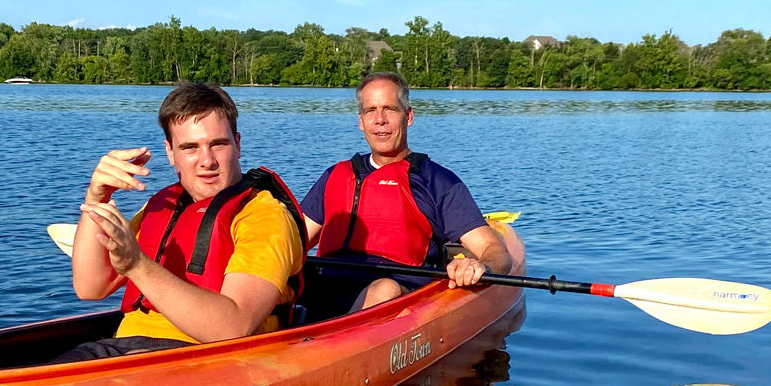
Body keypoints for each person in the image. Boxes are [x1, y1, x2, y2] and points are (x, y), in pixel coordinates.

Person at [64, 82, 305, 360]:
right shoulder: (163, 206)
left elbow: (235, 327)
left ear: (237, 144)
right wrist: (97, 197)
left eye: (218, 144)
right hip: (127, 349)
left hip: (206, 360)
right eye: (190, 147)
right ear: (170, 153)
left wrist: (136, 264)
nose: (206, 161)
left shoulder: (264, 215)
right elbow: (90, 287)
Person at [300, 71, 511, 315]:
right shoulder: (334, 176)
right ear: (361, 121)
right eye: (371, 111)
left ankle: (328, 345)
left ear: (408, 116)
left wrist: (480, 266)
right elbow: (295, 242)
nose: (380, 120)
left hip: (395, 300)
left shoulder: (437, 181)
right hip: (325, 286)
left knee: (384, 289)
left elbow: (496, 251)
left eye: (389, 109)